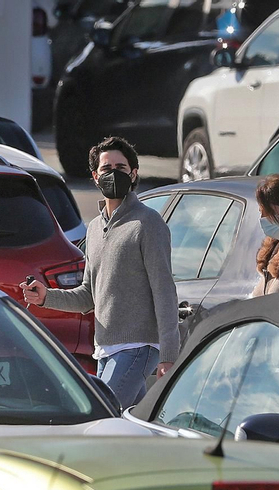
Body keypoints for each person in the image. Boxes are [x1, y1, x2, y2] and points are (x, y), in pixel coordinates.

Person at [21, 135, 179, 407]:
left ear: (134, 173)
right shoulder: (94, 229)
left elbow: (164, 291)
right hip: (104, 350)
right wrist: (46, 297)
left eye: (121, 168)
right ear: (95, 176)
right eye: (107, 169)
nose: (113, 174)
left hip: (138, 347)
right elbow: (87, 297)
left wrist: (168, 354)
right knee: (129, 426)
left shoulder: (147, 223)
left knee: (101, 413)